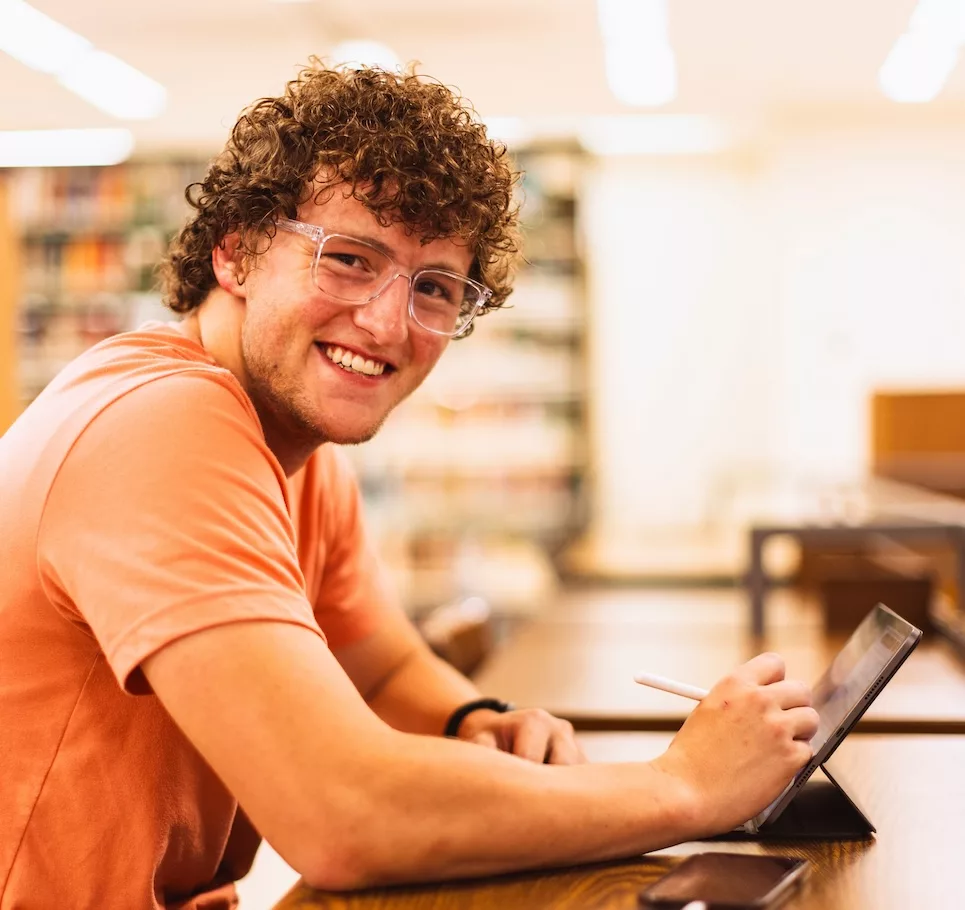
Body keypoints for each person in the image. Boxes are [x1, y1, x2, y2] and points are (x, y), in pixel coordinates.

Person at [0, 63, 819, 909]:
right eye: (349, 260)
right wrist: (685, 787)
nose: (389, 324)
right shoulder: (160, 427)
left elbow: (382, 668)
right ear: (235, 252)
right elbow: (339, 816)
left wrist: (478, 721)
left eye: (432, 288)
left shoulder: (294, 452)